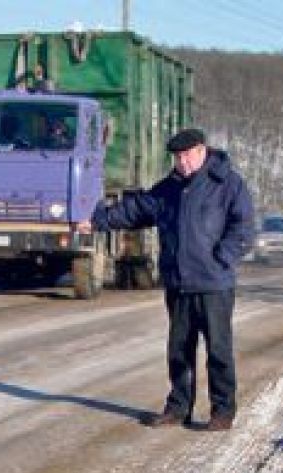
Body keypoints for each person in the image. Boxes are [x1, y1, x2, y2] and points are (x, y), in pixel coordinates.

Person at [78, 127, 255, 431]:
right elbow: (134, 210)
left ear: (202, 151)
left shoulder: (228, 183)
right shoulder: (168, 189)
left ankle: (222, 411)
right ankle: (178, 408)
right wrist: (96, 221)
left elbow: (244, 226)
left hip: (214, 283)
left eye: (187, 155)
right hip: (179, 283)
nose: (182, 162)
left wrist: (222, 257)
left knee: (219, 350)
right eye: (177, 157)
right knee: (179, 350)